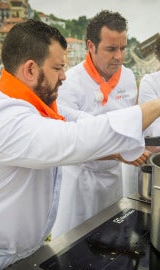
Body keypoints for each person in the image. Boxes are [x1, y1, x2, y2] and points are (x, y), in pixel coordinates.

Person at [0, 19, 160, 269]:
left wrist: (124, 146)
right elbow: (73, 138)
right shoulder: (2, 116)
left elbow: (81, 120)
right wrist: (158, 106)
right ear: (30, 69)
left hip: (24, 250)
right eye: (57, 68)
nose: (64, 75)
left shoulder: (31, 100)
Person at [51, 10, 147, 239]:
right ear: (91, 46)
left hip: (112, 178)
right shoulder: (69, 83)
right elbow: (71, 142)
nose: (119, 56)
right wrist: (119, 152)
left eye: (123, 48)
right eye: (111, 49)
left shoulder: (127, 78)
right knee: (73, 244)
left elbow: (129, 124)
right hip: (79, 181)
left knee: (111, 240)